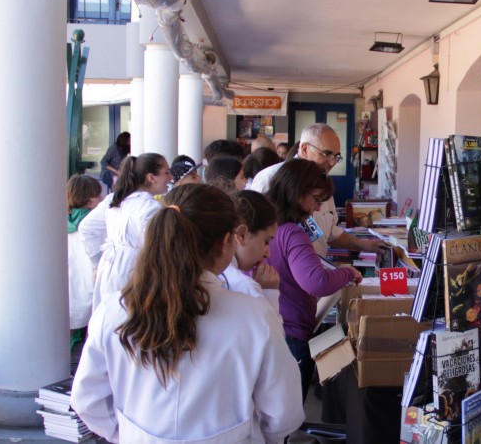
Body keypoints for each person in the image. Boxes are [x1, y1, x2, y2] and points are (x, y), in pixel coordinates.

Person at [71, 183, 304, 443]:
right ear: (227, 241)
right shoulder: (255, 316)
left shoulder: (114, 310)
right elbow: (284, 412)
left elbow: (87, 399)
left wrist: (132, 434)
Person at [266, 158, 363, 402]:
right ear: (298, 193)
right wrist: (347, 272)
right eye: (317, 200)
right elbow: (316, 281)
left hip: (274, 324)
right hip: (291, 330)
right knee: (287, 407)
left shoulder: (270, 225)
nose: (318, 208)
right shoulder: (292, 232)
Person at [251, 123, 385, 257]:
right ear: (304, 149)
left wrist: (366, 245)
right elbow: (254, 233)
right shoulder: (269, 178)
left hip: (316, 270)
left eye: (336, 156)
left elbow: (330, 233)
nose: (332, 162)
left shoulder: (322, 187)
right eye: (326, 154)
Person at [79, 153, 171, 311]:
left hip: (109, 270)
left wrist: (97, 262)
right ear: (151, 177)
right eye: (166, 172)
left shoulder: (114, 199)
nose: (170, 177)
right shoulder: (148, 207)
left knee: (108, 319)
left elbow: (86, 228)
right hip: (134, 273)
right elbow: (158, 248)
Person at [223, 190, 281, 313]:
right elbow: (269, 331)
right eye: (266, 241)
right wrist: (268, 293)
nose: (267, 254)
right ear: (241, 235)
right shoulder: (244, 288)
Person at [66, 174, 103, 337]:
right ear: (88, 201)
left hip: (70, 281)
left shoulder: (61, 220)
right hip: (92, 279)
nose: (102, 199)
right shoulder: (94, 222)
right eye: (98, 196)